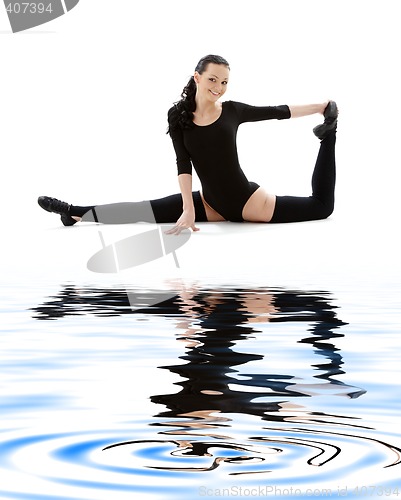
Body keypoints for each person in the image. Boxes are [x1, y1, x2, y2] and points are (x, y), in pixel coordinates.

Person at [38, 54, 337, 234]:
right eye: (212, 80)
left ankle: (329, 136)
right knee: (143, 210)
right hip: (209, 204)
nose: (218, 88)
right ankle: (73, 211)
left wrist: (321, 107)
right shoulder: (178, 116)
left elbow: (278, 111)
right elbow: (183, 163)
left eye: (224, 82)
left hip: (248, 204)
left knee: (322, 208)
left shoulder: (233, 111)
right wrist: (188, 209)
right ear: (197, 77)